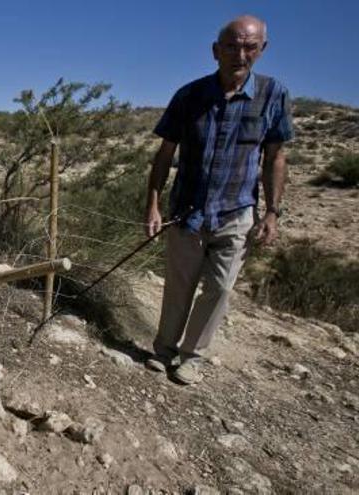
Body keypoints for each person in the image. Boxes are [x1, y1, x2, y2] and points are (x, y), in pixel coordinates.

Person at [144, 15, 294, 385]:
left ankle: (191, 356)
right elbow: (164, 155)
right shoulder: (190, 95)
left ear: (262, 49)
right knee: (179, 285)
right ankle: (163, 350)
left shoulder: (274, 95)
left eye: (249, 46)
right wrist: (153, 204)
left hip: (236, 211)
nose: (240, 54)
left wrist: (272, 213)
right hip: (187, 211)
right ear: (216, 50)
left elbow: (275, 157)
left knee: (221, 288)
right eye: (232, 46)